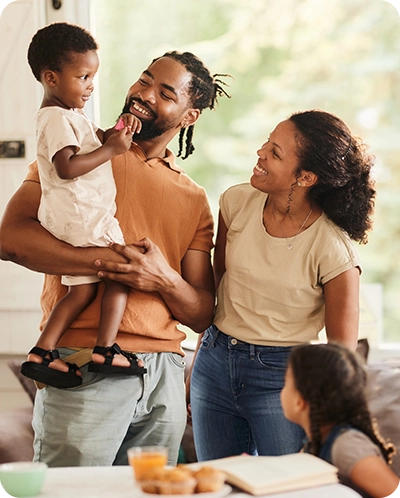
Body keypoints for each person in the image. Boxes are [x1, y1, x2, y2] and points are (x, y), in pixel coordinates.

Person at [0, 50, 230, 467]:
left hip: (164, 376)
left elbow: (200, 313)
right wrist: (111, 264)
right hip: (83, 361)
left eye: (164, 92)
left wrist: (161, 279)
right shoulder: (77, 149)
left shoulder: (193, 198)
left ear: (188, 116)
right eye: (143, 80)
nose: (143, 94)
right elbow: (11, 239)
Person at [189, 109, 376, 461]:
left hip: (283, 378)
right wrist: (201, 357)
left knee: (284, 488)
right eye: (267, 142)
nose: (260, 153)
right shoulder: (236, 202)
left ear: (305, 177)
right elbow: (220, 286)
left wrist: (323, 420)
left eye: (275, 152)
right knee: (217, 486)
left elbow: (341, 356)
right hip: (214, 364)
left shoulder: (334, 251)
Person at [21, 22, 144, 389]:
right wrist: (110, 150)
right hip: (83, 215)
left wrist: (109, 136)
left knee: (83, 289)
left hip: (74, 217)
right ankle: (105, 349)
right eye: (83, 76)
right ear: (51, 78)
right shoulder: (57, 117)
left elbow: (83, 149)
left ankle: (42, 352)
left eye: (93, 76)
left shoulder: (67, 116)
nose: (91, 85)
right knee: (125, 270)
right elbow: (66, 166)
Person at [281, 342, 400, 498]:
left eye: (286, 383)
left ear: (300, 401)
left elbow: (394, 493)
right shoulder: (315, 442)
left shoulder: (346, 446)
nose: (282, 390)